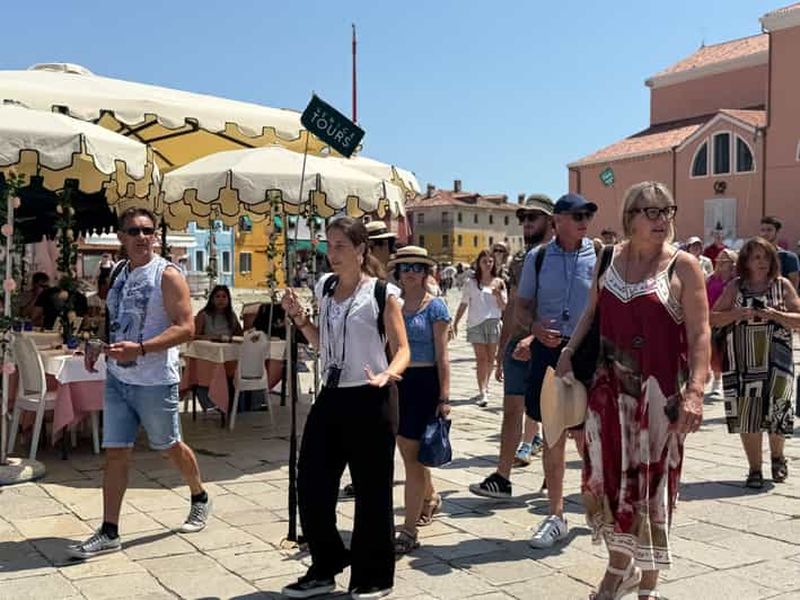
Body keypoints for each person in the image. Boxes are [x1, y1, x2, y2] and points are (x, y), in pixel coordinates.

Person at [563, 182, 707, 599]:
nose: (662, 219)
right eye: (651, 211)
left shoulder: (683, 266)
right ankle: (621, 569)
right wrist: (568, 353)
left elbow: (700, 333)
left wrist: (695, 391)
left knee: (652, 485)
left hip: (659, 399)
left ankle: (644, 582)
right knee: (609, 481)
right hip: (608, 393)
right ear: (630, 217)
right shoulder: (607, 258)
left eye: (667, 211)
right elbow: (591, 313)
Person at [67, 208, 210, 560]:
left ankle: (199, 495)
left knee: (168, 445)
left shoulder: (168, 274)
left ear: (156, 236)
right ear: (121, 237)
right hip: (118, 377)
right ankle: (109, 531)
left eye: (148, 231)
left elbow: (187, 328)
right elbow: (116, 320)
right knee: (116, 452)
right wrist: (98, 344)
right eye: (134, 231)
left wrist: (142, 348)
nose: (142, 237)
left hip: (154, 380)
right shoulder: (118, 272)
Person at [281, 217, 410, 599]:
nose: (332, 253)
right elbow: (322, 344)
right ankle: (326, 564)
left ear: (360, 249)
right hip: (332, 395)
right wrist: (300, 318)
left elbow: (403, 349)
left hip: (372, 396)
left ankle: (374, 576)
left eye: (340, 246)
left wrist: (389, 373)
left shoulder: (382, 293)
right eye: (329, 245)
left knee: (372, 491)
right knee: (311, 483)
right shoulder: (325, 287)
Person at [511, 192, 598, 548]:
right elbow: (521, 306)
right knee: (552, 433)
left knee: (590, 434)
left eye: (587, 215)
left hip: (588, 350)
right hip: (548, 349)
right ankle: (556, 514)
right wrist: (532, 328)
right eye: (577, 216)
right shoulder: (538, 257)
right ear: (557, 221)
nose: (584, 221)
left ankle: (597, 504)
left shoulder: (601, 254)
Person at [469, 193, 553, 498]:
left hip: (547, 342)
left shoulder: (560, 257)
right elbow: (513, 306)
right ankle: (502, 477)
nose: (526, 223)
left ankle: (552, 479)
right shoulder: (520, 260)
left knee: (552, 414)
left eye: (533, 217)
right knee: (512, 410)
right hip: (518, 344)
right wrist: (504, 347)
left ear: (551, 221)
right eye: (523, 218)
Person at [710, 237, 799, 489]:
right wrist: (736, 314)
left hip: (777, 361)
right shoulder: (735, 287)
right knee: (747, 414)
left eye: (766, 257)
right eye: (756, 257)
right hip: (742, 362)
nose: (762, 262)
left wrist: (777, 314)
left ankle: (777, 457)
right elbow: (712, 318)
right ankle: (755, 468)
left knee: (778, 408)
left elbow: (799, 318)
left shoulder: (782, 285)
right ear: (745, 261)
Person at [388, 246, 451, 555]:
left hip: (425, 383)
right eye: (406, 267)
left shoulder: (435, 307)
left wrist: (445, 396)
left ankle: (409, 529)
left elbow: (443, 355)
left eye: (417, 267)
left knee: (412, 456)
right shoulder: (392, 304)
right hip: (399, 382)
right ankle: (430, 495)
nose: (411, 272)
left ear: (426, 272)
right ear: (398, 272)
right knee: (408, 451)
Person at [453, 249, 507, 406]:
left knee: (490, 358)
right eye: (484, 261)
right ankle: (482, 390)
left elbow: (504, 306)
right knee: (481, 359)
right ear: (479, 263)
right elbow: (464, 303)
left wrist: (498, 295)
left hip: (493, 322)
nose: (488, 264)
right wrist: (456, 322)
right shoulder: (471, 283)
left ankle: (486, 385)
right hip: (475, 323)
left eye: (490, 261)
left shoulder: (499, 282)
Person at [707, 249, 738, 398]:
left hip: (731, 319)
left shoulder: (736, 280)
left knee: (730, 352)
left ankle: (731, 382)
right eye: (719, 260)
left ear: (733, 263)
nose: (721, 263)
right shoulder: (711, 279)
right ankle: (717, 382)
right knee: (715, 352)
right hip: (713, 318)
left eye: (725, 261)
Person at [759, 216, 799, 289]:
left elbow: (793, 287)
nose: (765, 233)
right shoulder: (752, 256)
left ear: (777, 232)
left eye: (769, 230)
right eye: (762, 230)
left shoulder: (788, 257)